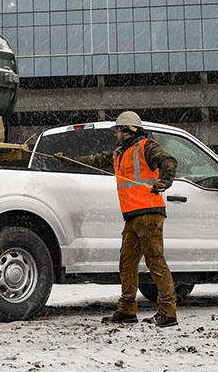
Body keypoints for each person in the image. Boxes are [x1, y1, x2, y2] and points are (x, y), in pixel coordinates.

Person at [55, 111, 179, 327]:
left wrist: (164, 181)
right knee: (127, 263)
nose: (115, 134)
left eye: (118, 130)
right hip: (132, 216)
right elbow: (94, 160)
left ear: (129, 131)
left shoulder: (146, 146)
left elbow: (168, 160)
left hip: (149, 213)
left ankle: (168, 313)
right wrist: (68, 160)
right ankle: (127, 310)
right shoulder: (119, 153)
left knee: (155, 262)